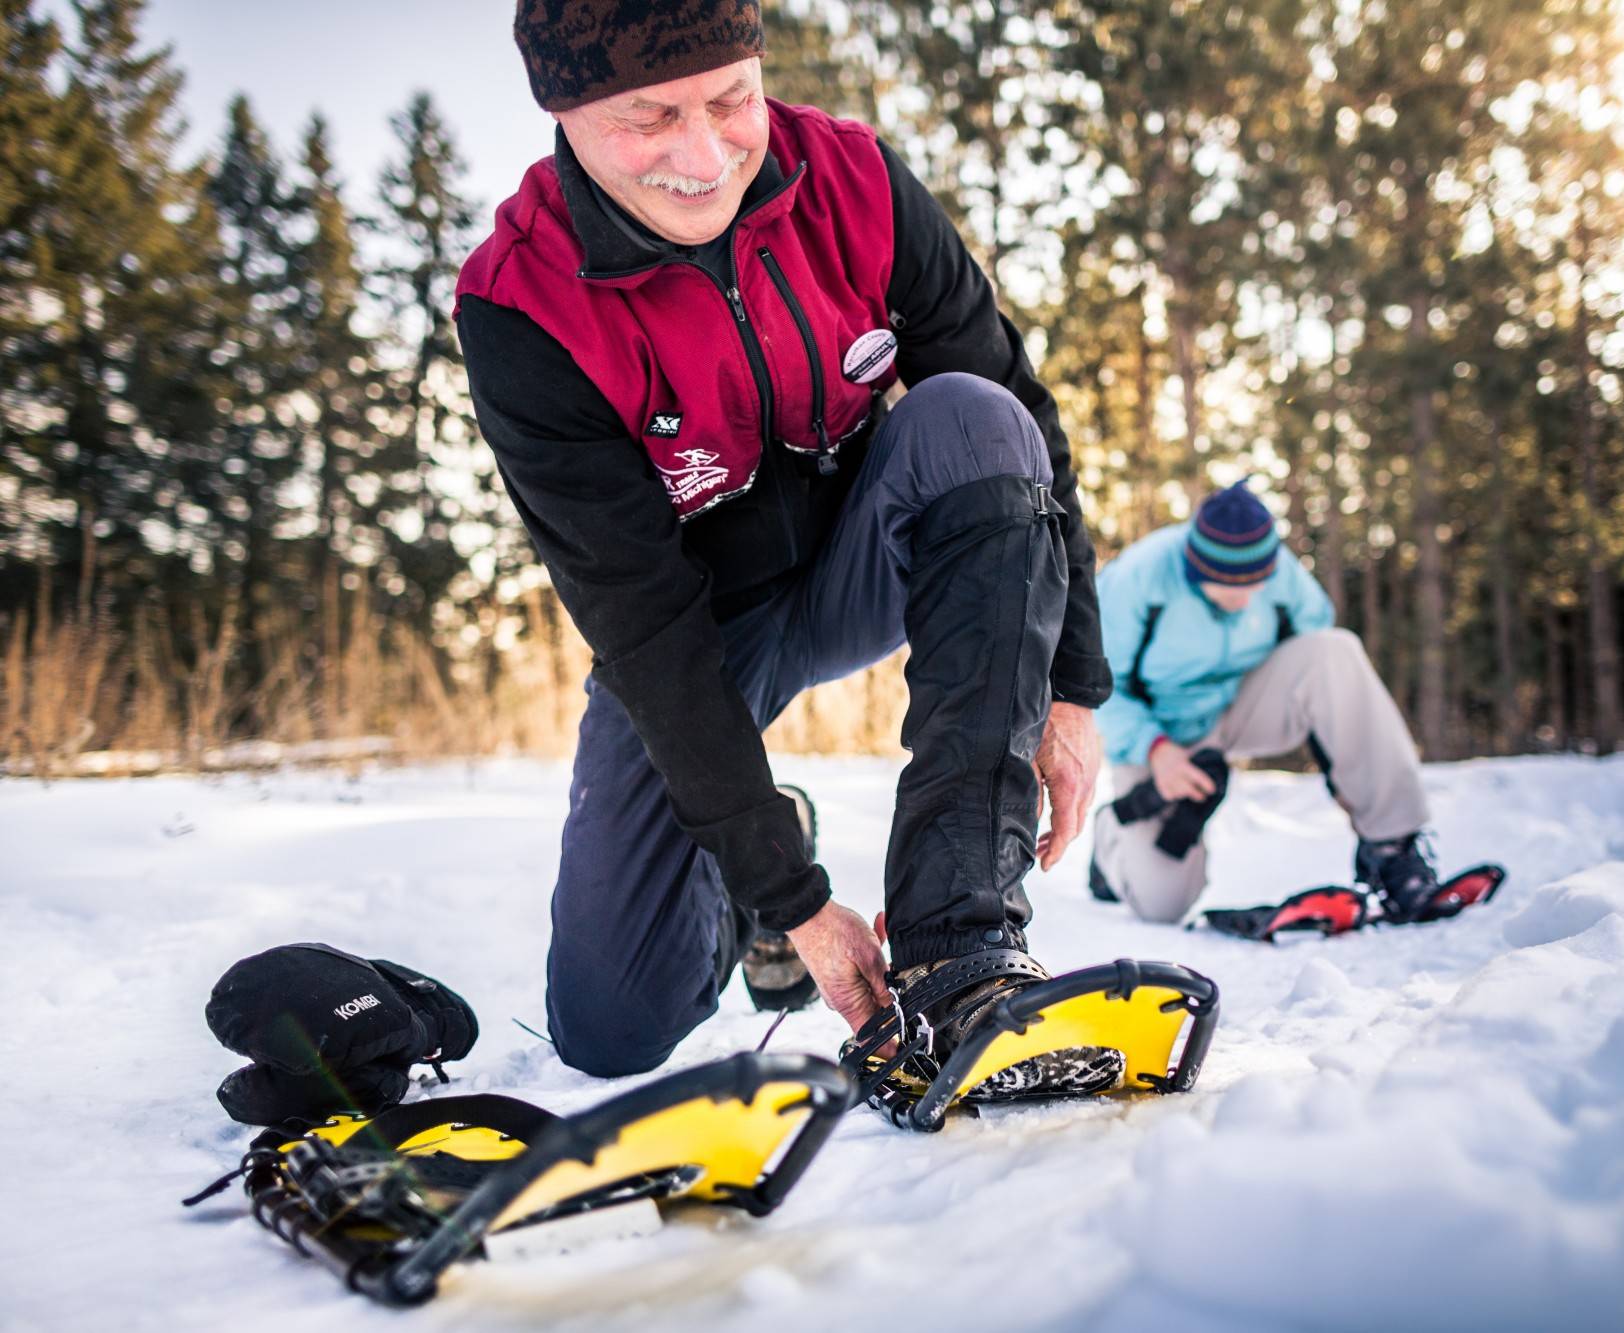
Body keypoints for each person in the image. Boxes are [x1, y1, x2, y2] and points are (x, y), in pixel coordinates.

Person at [457, 1, 1109, 1078]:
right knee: (611, 1028)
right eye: (648, 118)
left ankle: (962, 939)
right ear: (565, 110)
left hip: (870, 554)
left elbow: (1020, 420)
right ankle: (742, 881)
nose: (704, 156)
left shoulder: (852, 180)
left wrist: (1070, 685)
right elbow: (644, 627)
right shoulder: (519, 304)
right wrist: (788, 892)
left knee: (972, 418)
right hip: (697, 634)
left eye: (730, 101)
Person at [1088, 481, 1441, 924]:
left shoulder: (1279, 569)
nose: (1242, 597)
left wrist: (1333, 746)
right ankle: (1110, 838)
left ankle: (1393, 846)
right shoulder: (1141, 576)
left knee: (1335, 651)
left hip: (1241, 709)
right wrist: (1156, 750)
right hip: (1161, 731)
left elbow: (1315, 648)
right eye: (1224, 584)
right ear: (1196, 566)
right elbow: (1098, 684)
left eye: (1254, 582)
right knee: (1163, 906)